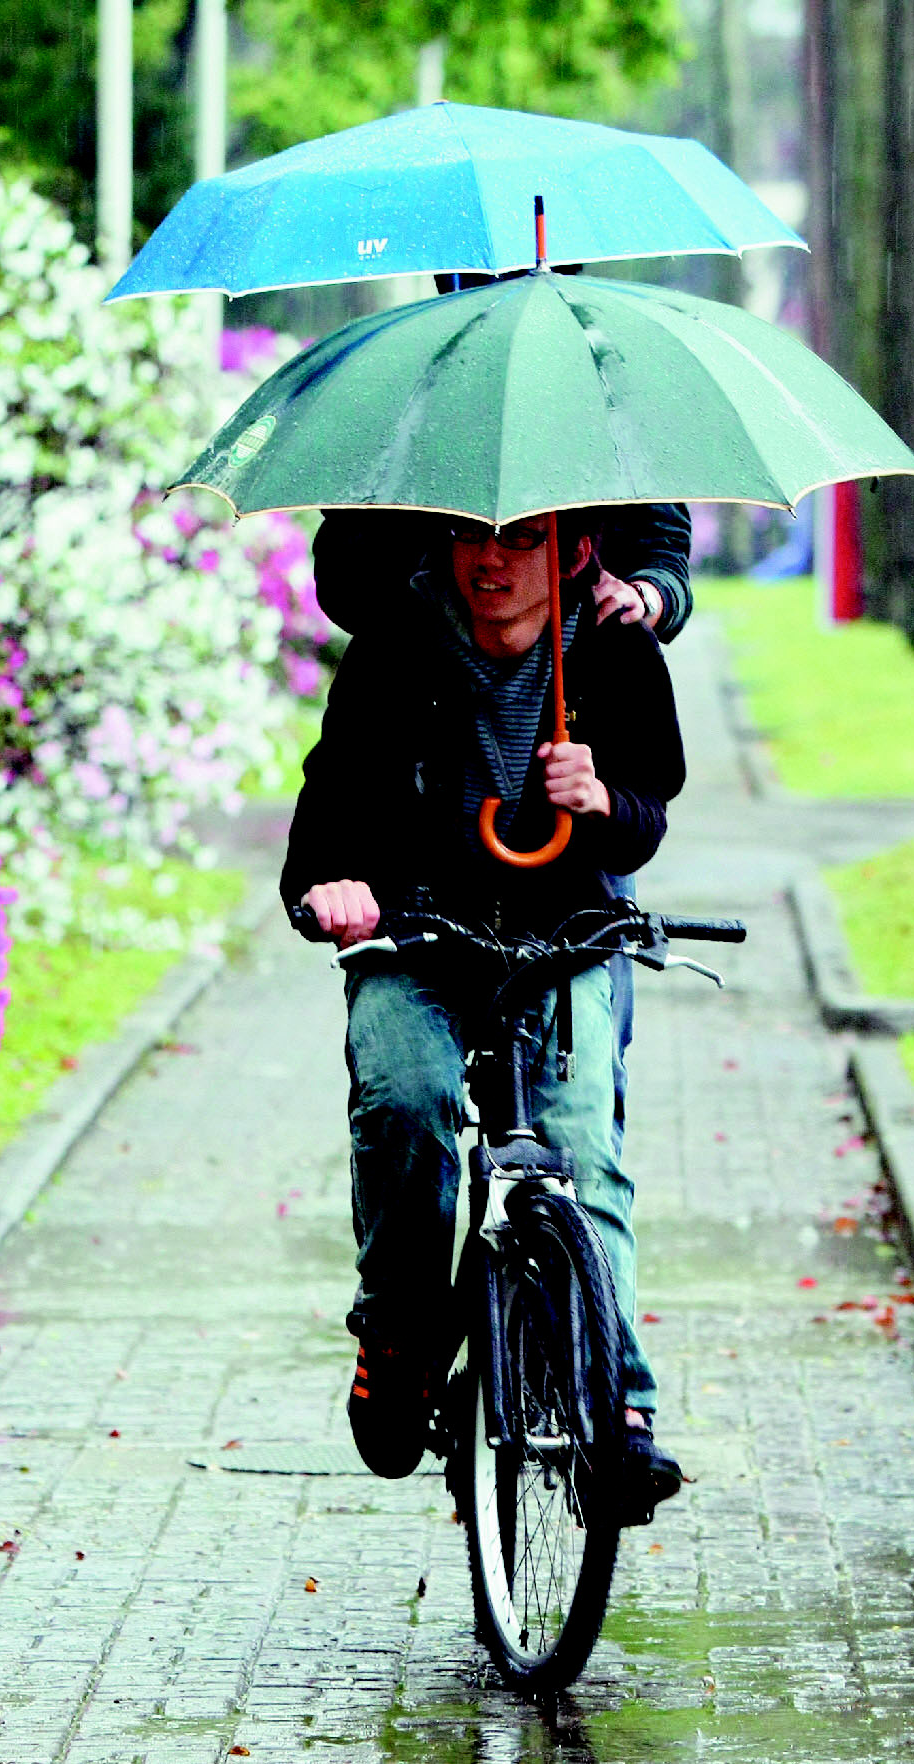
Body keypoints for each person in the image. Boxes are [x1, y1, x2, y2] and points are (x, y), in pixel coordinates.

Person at [283, 507, 686, 1515]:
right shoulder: (392, 650)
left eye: (524, 540)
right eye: (473, 538)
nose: (493, 560)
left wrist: (601, 802)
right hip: (418, 939)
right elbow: (321, 827)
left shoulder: (612, 653)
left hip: (564, 941)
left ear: (577, 551)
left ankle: (622, 1412)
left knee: (582, 1144)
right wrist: (334, 891)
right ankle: (399, 1335)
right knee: (408, 1104)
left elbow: (647, 814)